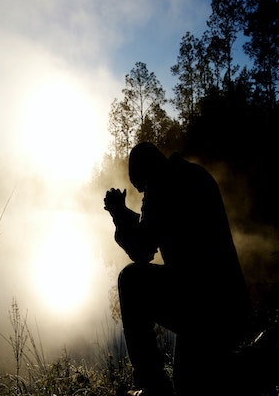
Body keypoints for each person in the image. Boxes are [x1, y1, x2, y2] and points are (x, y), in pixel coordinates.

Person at [104, 142, 252, 396]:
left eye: (142, 188)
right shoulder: (195, 174)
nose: (143, 195)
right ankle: (251, 361)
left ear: (146, 172)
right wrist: (129, 216)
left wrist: (118, 214)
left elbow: (142, 251)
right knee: (188, 385)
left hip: (201, 303)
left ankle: (151, 384)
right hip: (227, 302)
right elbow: (156, 228)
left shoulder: (162, 185)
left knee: (130, 280)